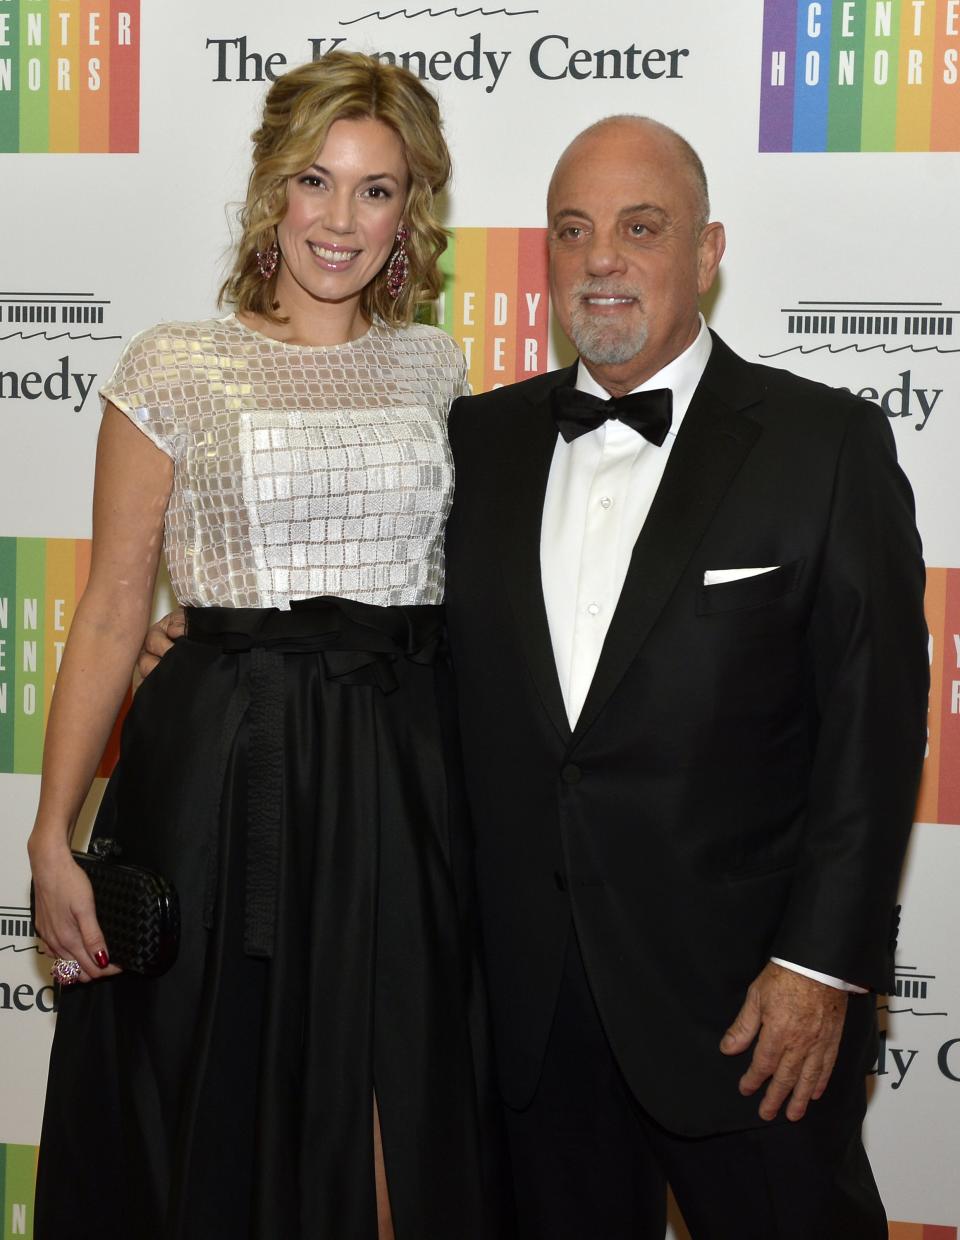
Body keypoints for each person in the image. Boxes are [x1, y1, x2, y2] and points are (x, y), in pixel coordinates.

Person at [28, 52, 507, 1240]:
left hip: (403, 772)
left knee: (406, 1097)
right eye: (315, 181)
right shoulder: (174, 364)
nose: (340, 220)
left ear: (411, 214)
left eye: (377, 190)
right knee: (221, 1105)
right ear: (270, 193)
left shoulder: (437, 368)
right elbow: (111, 606)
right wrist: (50, 833)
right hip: (230, 773)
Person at [442, 116, 928, 1238]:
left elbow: (874, 728)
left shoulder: (825, 445)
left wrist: (818, 965)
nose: (601, 257)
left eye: (640, 227)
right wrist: (202, 638)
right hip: (532, 1011)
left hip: (752, 1013)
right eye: (573, 230)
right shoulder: (478, 442)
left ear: (708, 253)